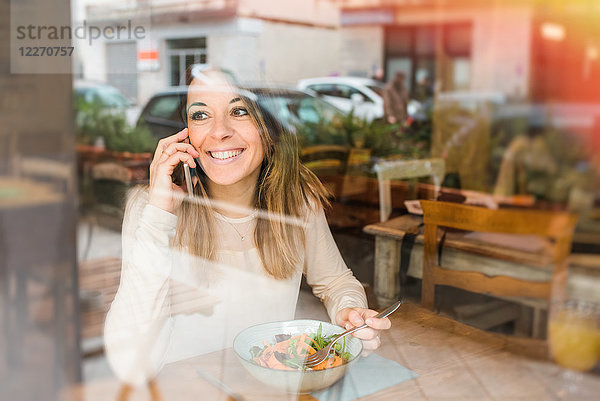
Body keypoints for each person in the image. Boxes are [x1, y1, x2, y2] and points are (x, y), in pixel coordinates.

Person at [104, 69, 392, 386]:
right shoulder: (152, 209)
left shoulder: (295, 199)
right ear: (186, 134)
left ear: (267, 128)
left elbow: (335, 281)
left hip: (269, 389)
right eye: (200, 115)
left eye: (239, 110)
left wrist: (351, 312)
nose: (219, 131)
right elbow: (129, 360)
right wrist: (160, 216)